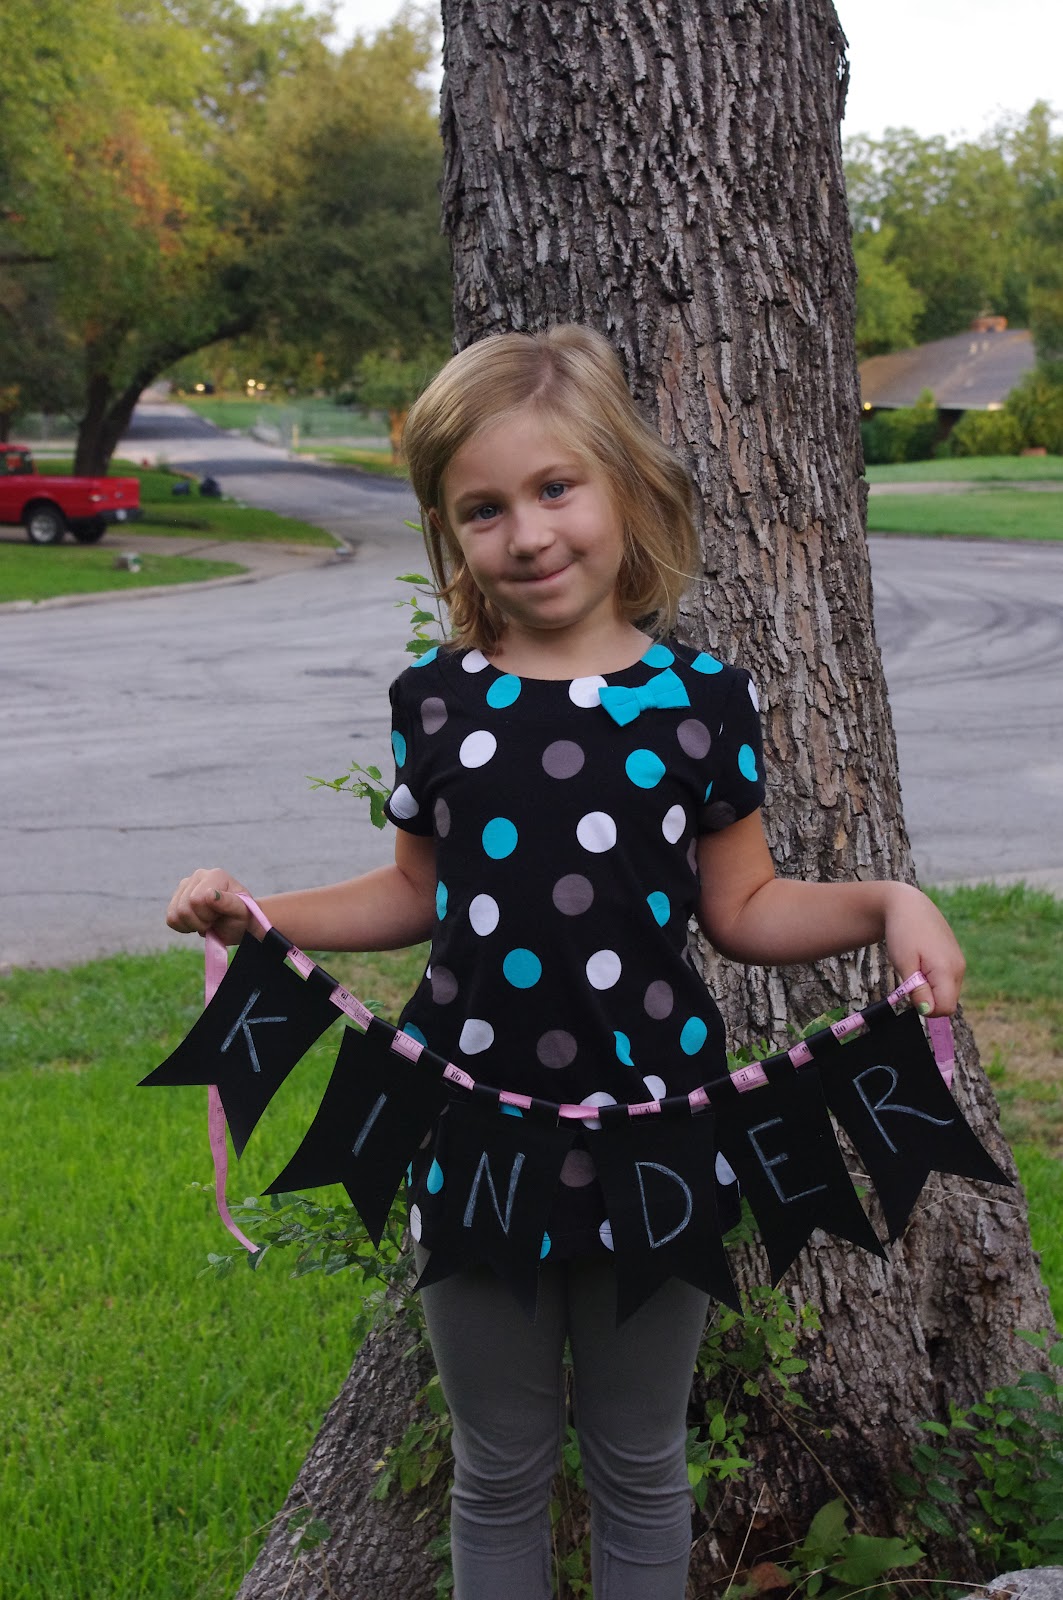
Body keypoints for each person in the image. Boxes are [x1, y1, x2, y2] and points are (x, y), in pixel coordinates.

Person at [166, 324, 965, 1600]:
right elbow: (412, 892)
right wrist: (255, 915)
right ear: (448, 533)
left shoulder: (702, 702)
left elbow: (745, 906)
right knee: (497, 1469)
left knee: (641, 1463)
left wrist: (887, 901)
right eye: (483, 509)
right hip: (471, 1128)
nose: (528, 534)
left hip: (661, 1135)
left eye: (554, 488)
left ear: (625, 490)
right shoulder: (436, 702)